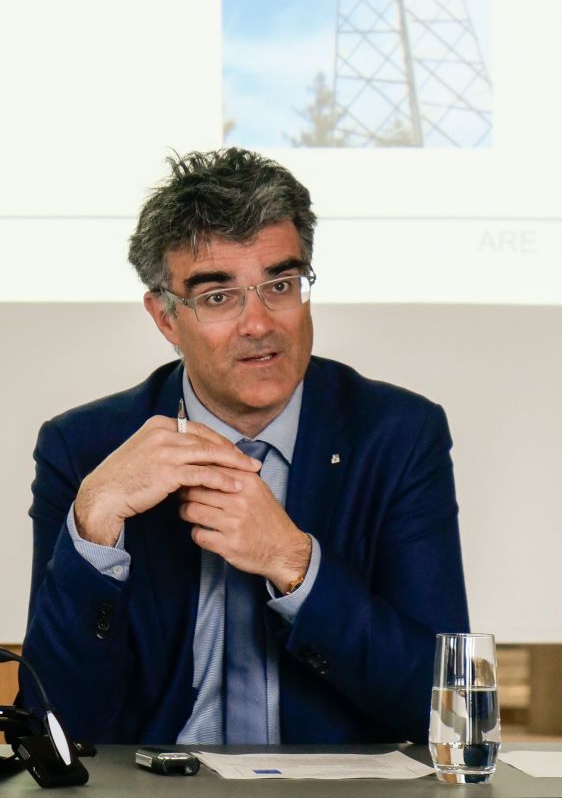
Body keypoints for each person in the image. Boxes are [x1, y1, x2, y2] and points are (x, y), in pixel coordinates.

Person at [21, 148, 469, 745]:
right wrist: (94, 523)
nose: (259, 324)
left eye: (280, 285)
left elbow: (447, 707)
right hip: (155, 784)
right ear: (165, 319)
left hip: (333, 788)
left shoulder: (397, 434)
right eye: (218, 297)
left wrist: (294, 564)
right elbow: (52, 727)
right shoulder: (83, 448)